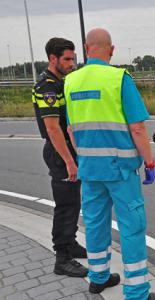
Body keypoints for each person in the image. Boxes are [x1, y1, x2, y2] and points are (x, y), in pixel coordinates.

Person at [64, 28, 155, 300]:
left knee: (94, 224)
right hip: (120, 169)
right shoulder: (118, 78)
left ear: (86, 47)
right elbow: (137, 129)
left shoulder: (71, 81)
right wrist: (149, 163)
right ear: (112, 49)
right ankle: (138, 292)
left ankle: (98, 278)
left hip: (90, 170)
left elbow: (71, 129)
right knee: (132, 227)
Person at [32, 38, 88, 278]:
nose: (72, 63)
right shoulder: (47, 86)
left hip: (68, 150)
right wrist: (69, 161)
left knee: (74, 202)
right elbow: (53, 129)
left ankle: (71, 243)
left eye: (73, 58)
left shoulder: (61, 81)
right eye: (67, 59)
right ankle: (62, 258)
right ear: (52, 58)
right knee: (66, 206)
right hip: (59, 152)